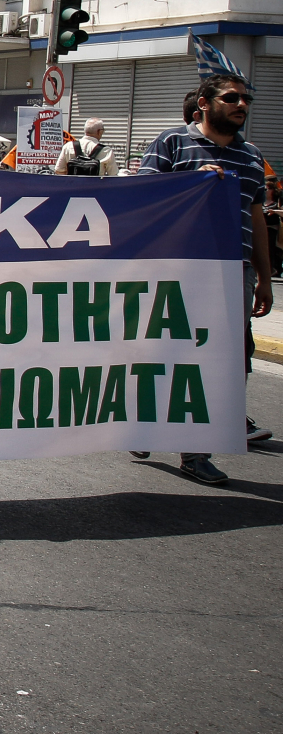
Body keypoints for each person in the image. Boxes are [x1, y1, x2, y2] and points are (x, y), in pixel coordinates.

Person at [131, 74, 275, 481]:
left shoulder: (251, 158)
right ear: (205, 104)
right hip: (175, 267)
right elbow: (142, 194)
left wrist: (263, 277)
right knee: (161, 350)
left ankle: (196, 453)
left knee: (223, 361)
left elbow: (256, 217)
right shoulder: (173, 142)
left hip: (232, 271)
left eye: (246, 99)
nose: (241, 105)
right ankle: (143, 422)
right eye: (231, 98)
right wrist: (190, 182)